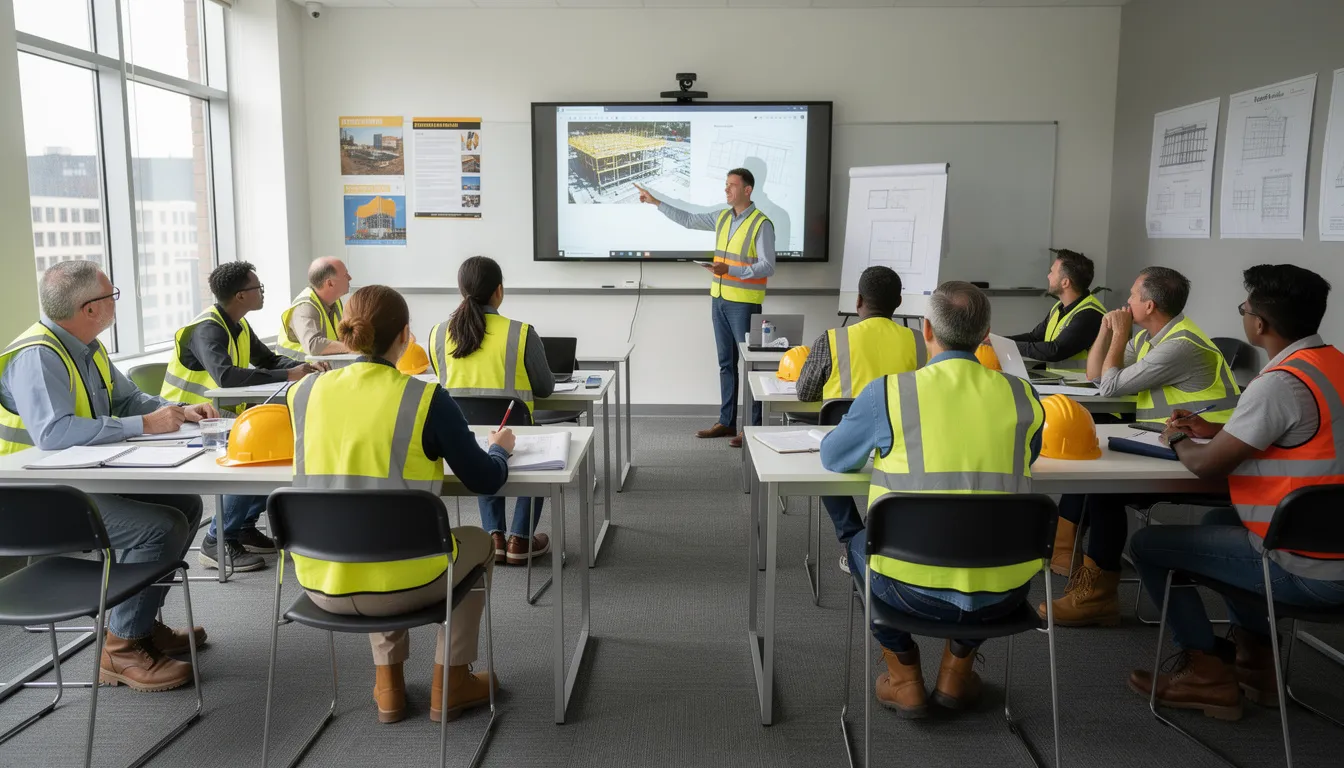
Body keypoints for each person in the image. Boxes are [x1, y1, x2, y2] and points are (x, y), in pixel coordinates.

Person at [1127, 264, 1344, 720]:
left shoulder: (1278, 384)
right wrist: (1216, 428)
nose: (1244, 315)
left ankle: (1206, 675)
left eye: (1244, 308)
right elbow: (1302, 431)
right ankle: (1257, 667)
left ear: (1259, 324)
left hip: (1308, 568)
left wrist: (1180, 438)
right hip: (1334, 547)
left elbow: (1207, 464)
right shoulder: (1332, 365)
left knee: (1148, 544)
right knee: (1218, 520)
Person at [288, 284, 512, 724]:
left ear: (346, 332)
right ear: (406, 335)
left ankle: (388, 688)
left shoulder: (304, 394)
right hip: (405, 583)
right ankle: (452, 682)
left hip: (319, 581)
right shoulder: (425, 399)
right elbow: (484, 479)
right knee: (479, 542)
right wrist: (500, 449)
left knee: (370, 531)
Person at [820, 281, 1045, 717]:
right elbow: (1028, 457)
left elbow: (834, 458)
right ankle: (956, 673)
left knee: (857, 544)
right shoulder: (1024, 396)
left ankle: (904, 677)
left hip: (908, 589)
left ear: (926, 330)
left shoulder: (889, 393)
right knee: (984, 551)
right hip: (1006, 592)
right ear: (986, 335)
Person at [0, 261, 212, 692]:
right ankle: (121, 647)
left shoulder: (86, 346)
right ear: (90, 308)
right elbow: (55, 432)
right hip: (30, 500)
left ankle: (140, 624)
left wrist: (175, 411)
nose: (117, 303)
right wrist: (144, 426)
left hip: (72, 484)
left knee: (185, 504)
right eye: (111, 296)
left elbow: (128, 398)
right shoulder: (38, 355)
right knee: (160, 526)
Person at [1045, 266, 1240, 627]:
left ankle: (1096, 596)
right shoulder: (1154, 336)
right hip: (1172, 443)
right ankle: (1074, 568)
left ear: (1149, 306)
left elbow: (1109, 386)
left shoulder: (1180, 346)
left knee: (1104, 487)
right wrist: (1108, 332)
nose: (1126, 301)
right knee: (1092, 470)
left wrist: (1118, 335)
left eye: (1133, 295)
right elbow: (1095, 375)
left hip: (1209, 453)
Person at [161, 262, 324, 573]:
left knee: (276, 450)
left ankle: (243, 527)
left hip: (217, 419)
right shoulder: (208, 328)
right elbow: (226, 377)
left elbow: (269, 359)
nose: (261, 292)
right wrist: (289, 373)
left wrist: (306, 366)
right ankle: (216, 540)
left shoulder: (238, 324)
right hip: (187, 421)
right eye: (257, 288)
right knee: (257, 457)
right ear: (240, 296)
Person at [796, 266, 925, 574]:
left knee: (823, 454)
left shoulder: (831, 340)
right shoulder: (920, 341)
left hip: (846, 448)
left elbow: (805, 393)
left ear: (858, 301)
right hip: (903, 448)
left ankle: (852, 536)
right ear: (898, 303)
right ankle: (882, 532)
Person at [636, 168, 776, 448]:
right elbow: (688, 220)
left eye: (732, 186)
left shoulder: (762, 223)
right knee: (726, 365)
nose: (726, 190)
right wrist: (656, 203)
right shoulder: (723, 216)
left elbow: (768, 265)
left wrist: (731, 269)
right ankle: (726, 422)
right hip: (719, 299)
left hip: (744, 303)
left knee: (751, 367)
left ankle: (752, 428)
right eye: (725, 185)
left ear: (747, 190)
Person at [427, 256, 554, 565]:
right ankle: (520, 540)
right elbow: (545, 388)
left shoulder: (437, 334)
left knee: (481, 438)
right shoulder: (521, 333)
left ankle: (494, 536)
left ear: (461, 291)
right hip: (516, 433)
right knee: (516, 438)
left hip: (462, 439)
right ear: (499, 291)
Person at [1007, 248, 1105, 373]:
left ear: (1065, 282)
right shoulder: (1059, 308)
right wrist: (997, 341)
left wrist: (1006, 346)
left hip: (1081, 387)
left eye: (1052, 272)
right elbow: (1035, 337)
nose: (1048, 276)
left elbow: (1055, 350)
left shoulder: (1089, 314)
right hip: (1062, 384)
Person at [277, 256, 352, 359]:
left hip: (320, 367)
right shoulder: (305, 307)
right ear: (330, 283)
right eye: (345, 275)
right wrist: (352, 348)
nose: (350, 278)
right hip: (296, 369)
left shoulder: (335, 301)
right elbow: (313, 345)